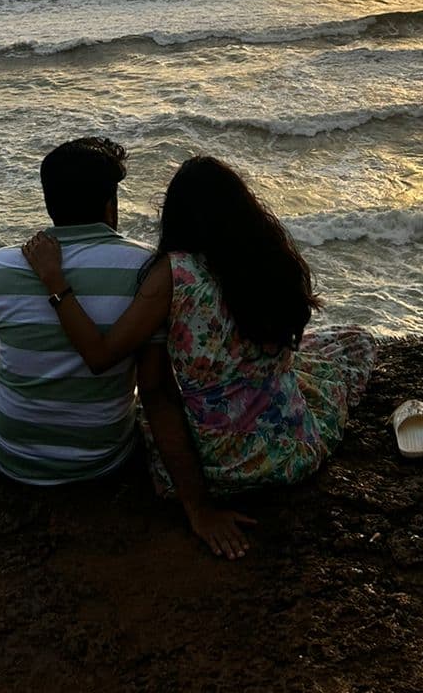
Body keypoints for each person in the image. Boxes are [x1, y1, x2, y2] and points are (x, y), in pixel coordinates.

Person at [23, 154, 377, 549]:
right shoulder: (267, 263)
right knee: (351, 342)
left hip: (219, 466)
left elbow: (109, 359)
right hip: (290, 450)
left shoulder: (174, 275)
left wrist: (54, 281)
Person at [0, 136, 256, 558]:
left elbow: (0, 357)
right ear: (110, 203)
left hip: (11, 456)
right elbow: (155, 392)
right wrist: (198, 509)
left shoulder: (1, 266)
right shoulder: (147, 270)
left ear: (49, 202)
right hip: (99, 458)